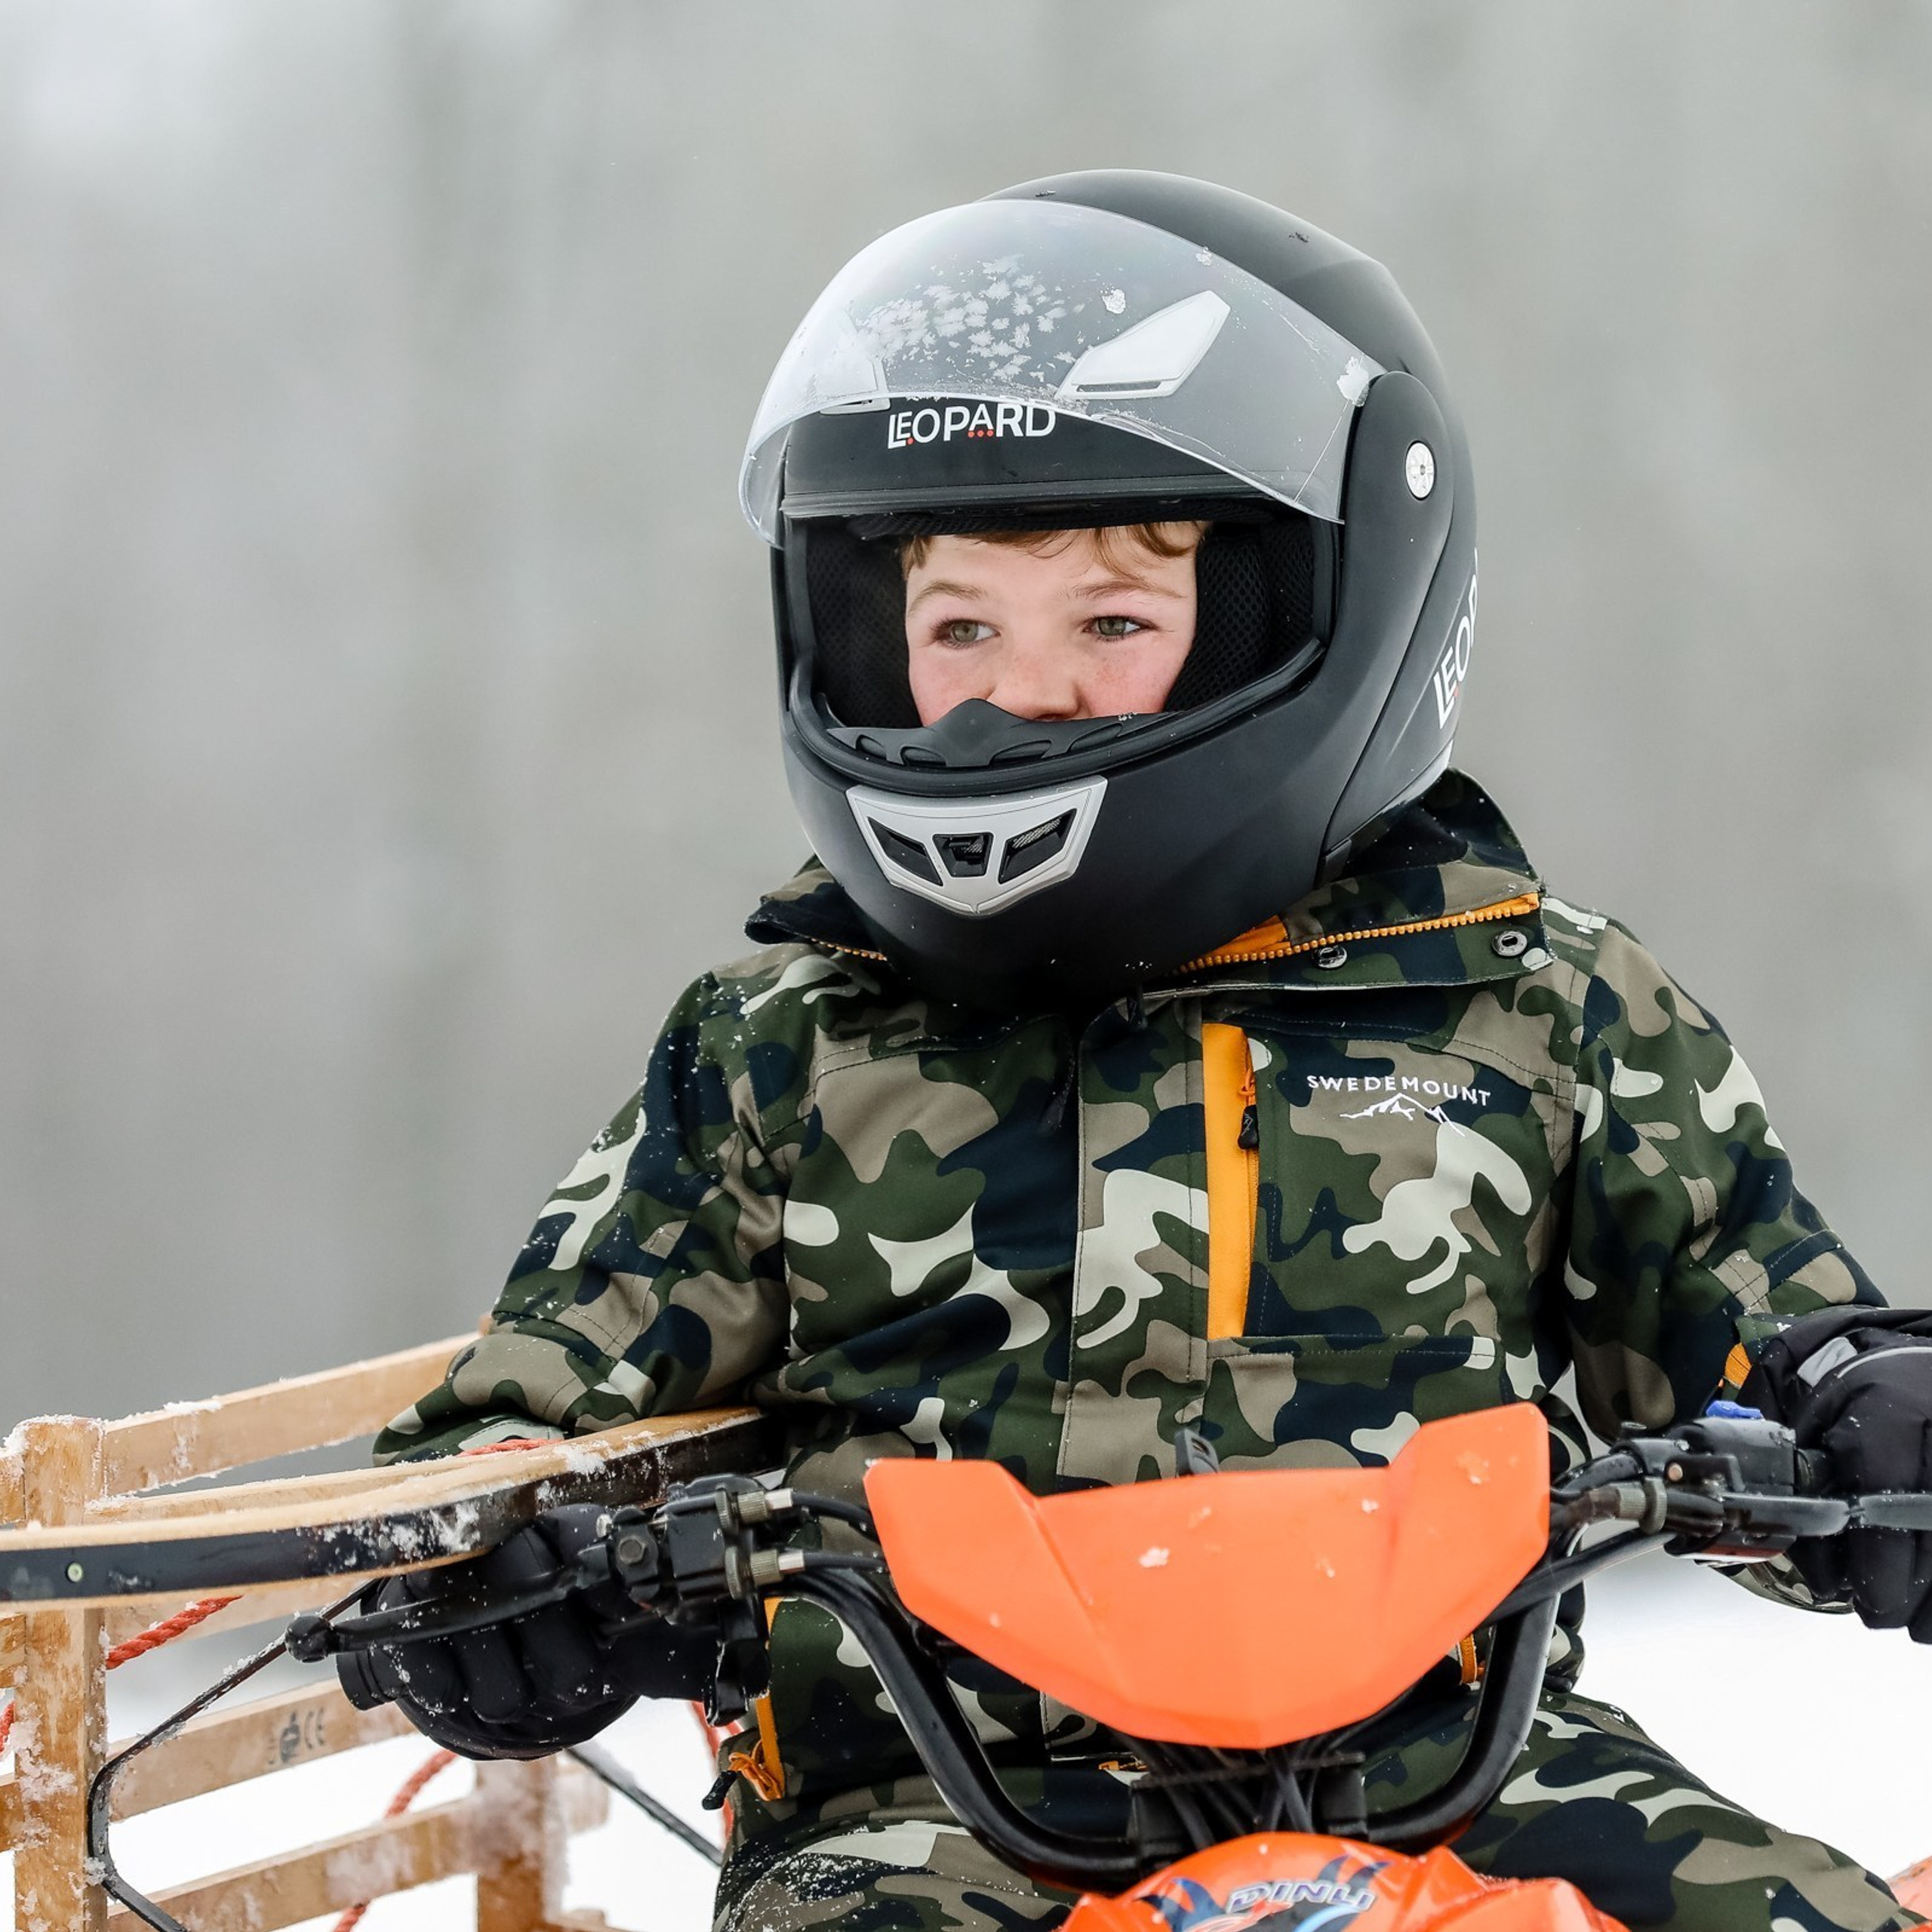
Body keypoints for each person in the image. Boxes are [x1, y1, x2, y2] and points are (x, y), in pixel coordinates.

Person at [350, 172, 1932, 1932]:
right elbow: (531, 1413)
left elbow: (1741, 1320)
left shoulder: (1527, 1002)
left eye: (1108, 623)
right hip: (934, 1812)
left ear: (1306, 611)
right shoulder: (783, 1044)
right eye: (958, 629)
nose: (1018, 697)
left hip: (1462, 1763)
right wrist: (509, 1580)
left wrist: (1854, 1418)